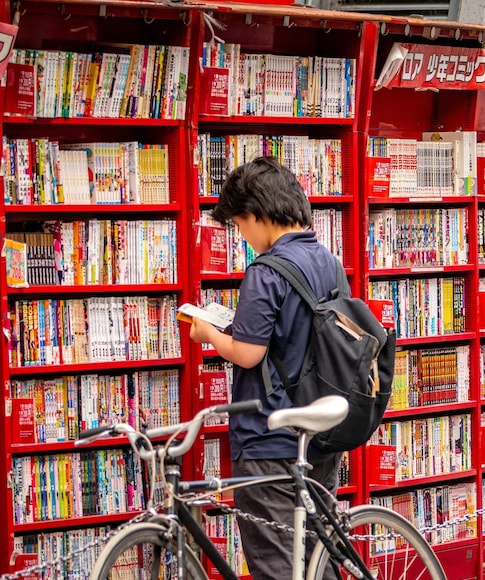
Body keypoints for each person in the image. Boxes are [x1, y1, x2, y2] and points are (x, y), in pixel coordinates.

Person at [189, 157, 342, 579]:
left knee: (276, 566)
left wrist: (208, 334)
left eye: (240, 225)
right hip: (321, 437)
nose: (243, 236)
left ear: (257, 214)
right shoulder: (329, 262)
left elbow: (248, 353)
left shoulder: (265, 271)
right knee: (315, 559)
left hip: (270, 439)